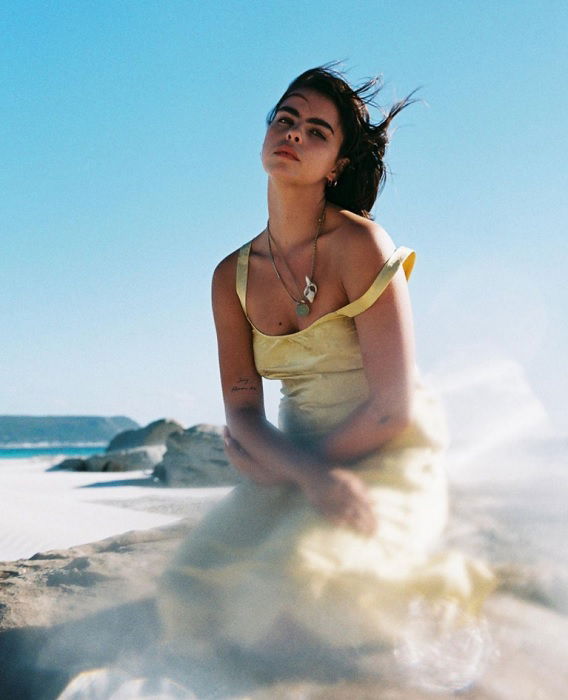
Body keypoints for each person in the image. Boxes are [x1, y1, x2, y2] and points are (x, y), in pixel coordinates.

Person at [158, 65, 497, 681]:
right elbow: (241, 412)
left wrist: (309, 473)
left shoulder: (361, 245)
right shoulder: (228, 275)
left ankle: (439, 581)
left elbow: (394, 408)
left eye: (316, 131)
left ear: (337, 164)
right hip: (297, 458)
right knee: (190, 590)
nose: (292, 134)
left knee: (299, 598)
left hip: (386, 447)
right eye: (284, 119)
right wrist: (299, 471)